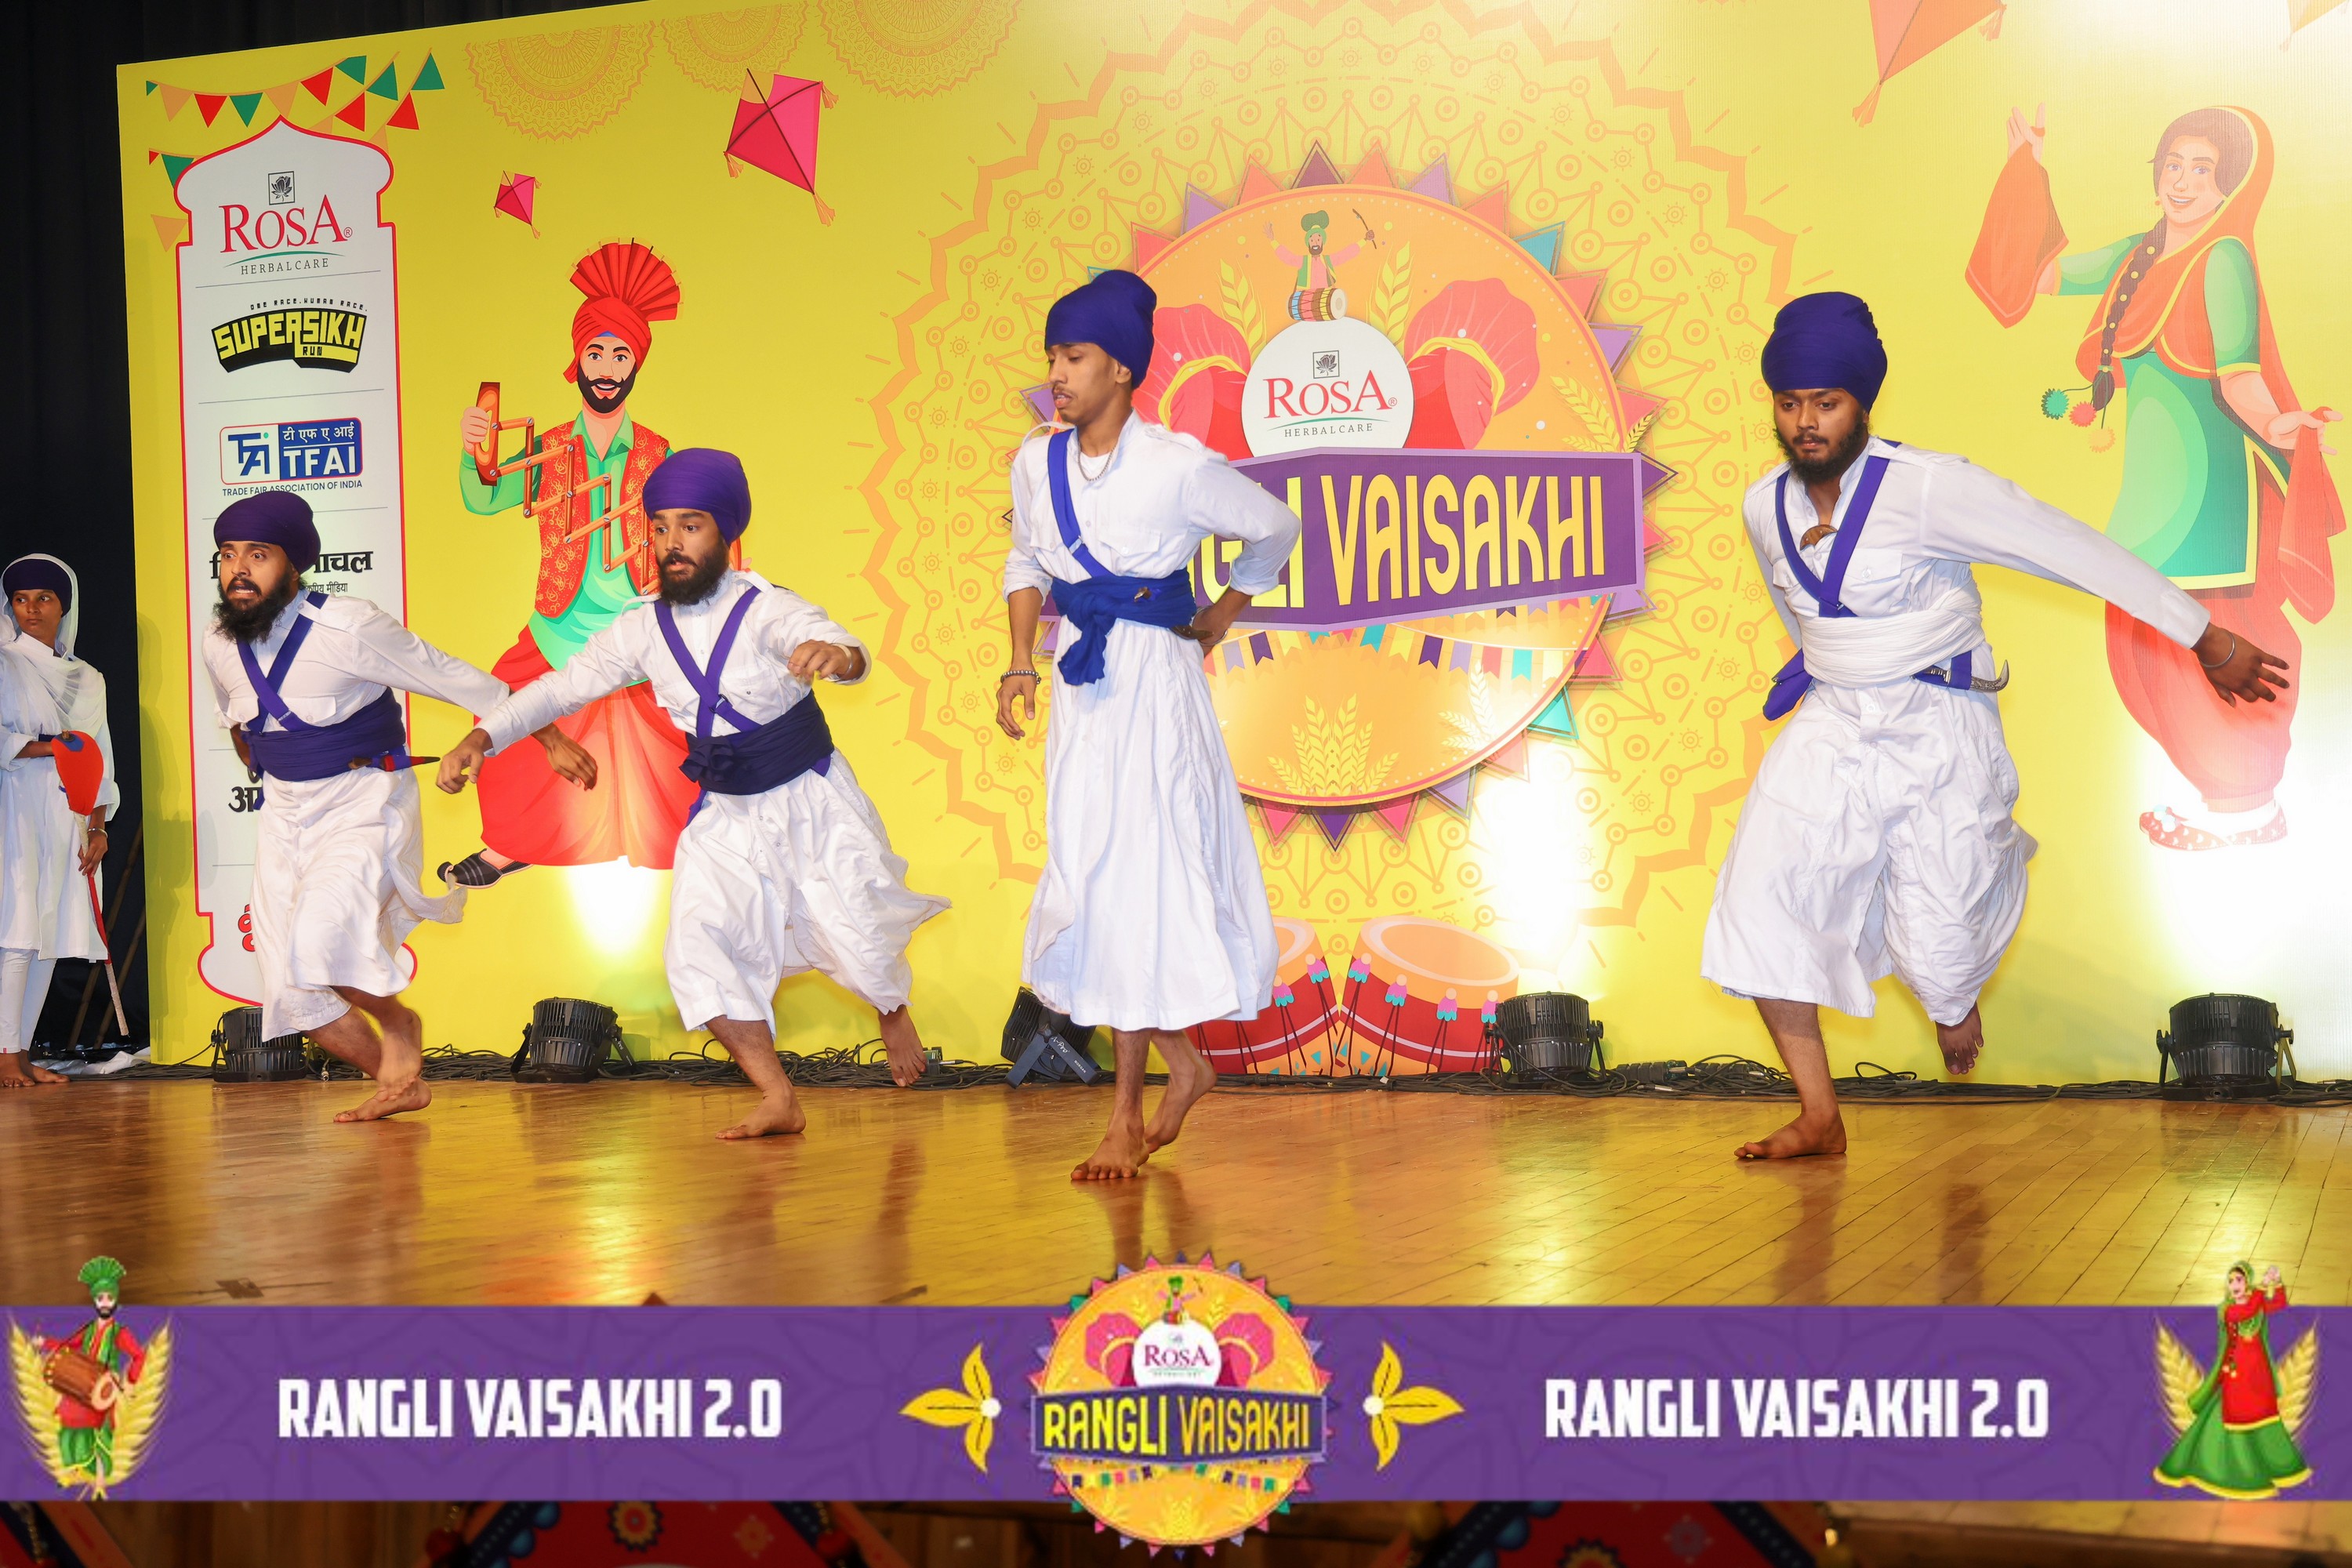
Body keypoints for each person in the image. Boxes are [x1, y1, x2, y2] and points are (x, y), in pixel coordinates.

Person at [1700, 292, 2285, 1160]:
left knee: (1939, 955)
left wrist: (2204, 634)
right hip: (1836, 720)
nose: (1806, 423)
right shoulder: (1763, 506)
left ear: (1862, 402)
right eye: (1790, 404)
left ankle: (1952, 993)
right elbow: (1802, 607)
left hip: (1937, 723)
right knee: (1759, 901)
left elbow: (2067, 546)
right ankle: (1820, 1115)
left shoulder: (1929, 489)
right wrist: (1822, 658)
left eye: (1826, 402)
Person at [438, 449, 948, 1138]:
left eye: (691, 526)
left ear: (725, 533)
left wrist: (840, 657)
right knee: (696, 954)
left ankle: (891, 1010)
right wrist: (483, 737)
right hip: (726, 816)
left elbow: (833, 643)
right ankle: (778, 1095)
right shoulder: (640, 628)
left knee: (857, 940)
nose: (672, 544)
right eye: (660, 528)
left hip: (810, 802)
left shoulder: (766, 608)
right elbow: (558, 689)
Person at [996, 269, 1304, 1181]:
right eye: (1052, 357)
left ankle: (1126, 1116)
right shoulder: (1036, 461)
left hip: (1155, 689)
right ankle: (1187, 1065)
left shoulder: (1177, 466)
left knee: (1137, 880)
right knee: (1093, 876)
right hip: (1082, 688)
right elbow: (1026, 557)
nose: (1057, 374)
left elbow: (1276, 527)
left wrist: (1225, 610)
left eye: (1075, 356)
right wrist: (1019, 661)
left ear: (1123, 369)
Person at [1968, 105, 2341, 849]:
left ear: (2228, 185)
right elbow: (2042, 277)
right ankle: (2227, 802)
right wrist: (2026, 171)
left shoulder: (2223, 258)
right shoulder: (2137, 258)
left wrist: (2280, 427)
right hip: (2149, 495)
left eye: (2203, 169)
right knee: (2140, 645)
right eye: (2174, 164)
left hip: (2210, 496)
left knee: (2217, 635)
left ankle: (2244, 807)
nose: (2183, 181)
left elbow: (2239, 378)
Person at [202, 489, 590, 1121]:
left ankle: (399, 1022)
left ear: (293, 566)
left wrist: (548, 737)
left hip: (362, 803)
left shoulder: (349, 626)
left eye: (258, 555)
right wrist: (268, 755)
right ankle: (397, 1080)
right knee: (291, 991)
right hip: (283, 815)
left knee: (320, 943)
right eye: (227, 555)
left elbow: (457, 678)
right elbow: (237, 719)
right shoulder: (219, 640)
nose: (238, 570)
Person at [446, 241, 717, 887]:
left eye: (621, 355)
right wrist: (473, 451)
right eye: (596, 352)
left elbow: (687, 529)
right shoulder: (548, 450)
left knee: (680, 737)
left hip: (637, 627)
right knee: (504, 710)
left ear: (636, 365)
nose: (607, 367)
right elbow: (485, 497)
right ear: (578, 361)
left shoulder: (657, 453)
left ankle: (706, 847)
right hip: (560, 622)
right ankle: (510, 843)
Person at [0, 555, 114, 1087]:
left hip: (71, 813)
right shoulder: (5, 663)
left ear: (63, 606)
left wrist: (98, 827)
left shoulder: (88, 678)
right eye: (21, 599)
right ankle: (4, 1054)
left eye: (43, 598)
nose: (32, 609)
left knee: (49, 931)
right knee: (18, 929)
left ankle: (22, 1054)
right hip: (16, 808)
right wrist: (49, 748)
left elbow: (101, 759)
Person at [2154, 1262, 2311, 1499]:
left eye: (2239, 1280)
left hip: (2258, 1374)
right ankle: (2234, 1469)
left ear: (2247, 1282)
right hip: (2237, 1374)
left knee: (2264, 1414)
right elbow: (2245, 1312)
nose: (2234, 1285)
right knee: (2234, 1414)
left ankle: (2276, 1464)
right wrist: (2261, 1288)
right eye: (2231, 1281)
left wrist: (2276, 1283)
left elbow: (2278, 1304)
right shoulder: (2227, 1309)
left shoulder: (2256, 1304)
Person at [33, 1257, 144, 1483]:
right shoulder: (89, 1329)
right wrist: (45, 1342)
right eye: (100, 1298)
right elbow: (67, 1346)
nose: (105, 1303)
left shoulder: (120, 1332)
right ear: (95, 1301)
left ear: (116, 1301)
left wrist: (131, 1382)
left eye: (109, 1298)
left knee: (97, 1434)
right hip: (80, 1383)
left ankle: (100, 1478)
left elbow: (139, 1356)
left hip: (104, 1389)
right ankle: (72, 1472)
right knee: (68, 1428)